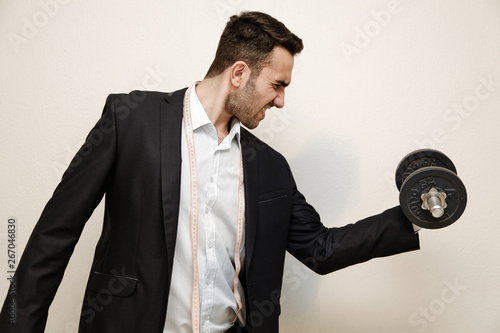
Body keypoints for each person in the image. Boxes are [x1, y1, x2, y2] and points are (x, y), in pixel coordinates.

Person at [0, 11, 420, 333]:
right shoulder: (131, 121)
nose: (280, 102)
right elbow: (53, 236)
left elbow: (321, 248)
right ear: (239, 73)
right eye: (278, 85)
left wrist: (415, 213)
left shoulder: (270, 168)